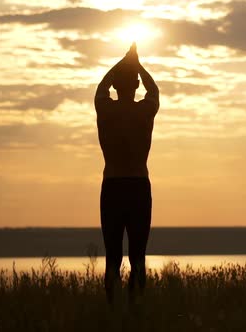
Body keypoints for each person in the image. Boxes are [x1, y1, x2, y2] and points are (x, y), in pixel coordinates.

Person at [94, 42, 159, 307]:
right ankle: (136, 309)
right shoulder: (144, 112)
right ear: (135, 86)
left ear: (116, 87)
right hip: (138, 187)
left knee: (113, 256)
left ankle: (113, 308)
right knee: (138, 257)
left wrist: (123, 62)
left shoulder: (106, 111)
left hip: (112, 187)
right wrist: (137, 64)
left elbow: (100, 88)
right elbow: (154, 90)